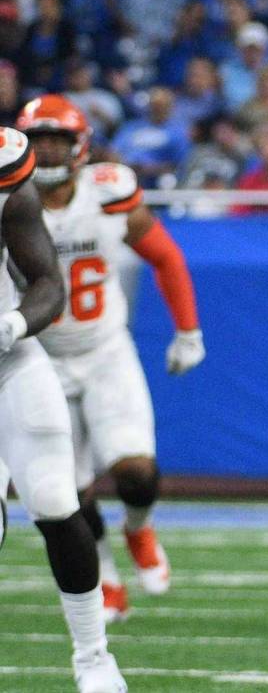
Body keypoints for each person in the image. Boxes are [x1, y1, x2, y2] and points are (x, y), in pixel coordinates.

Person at [18, 95, 205, 625]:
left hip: (103, 351)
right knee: (67, 497)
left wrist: (188, 330)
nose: (49, 150)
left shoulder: (108, 192)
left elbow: (165, 255)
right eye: (39, 140)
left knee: (137, 472)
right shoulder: (11, 200)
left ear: (80, 147)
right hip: (39, 359)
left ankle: (139, 527)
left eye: (58, 139)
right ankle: (104, 574)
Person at [0, 124, 127, 692]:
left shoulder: (6, 172)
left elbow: (50, 284)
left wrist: (12, 323)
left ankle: (94, 658)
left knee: (54, 498)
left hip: (8, 360)